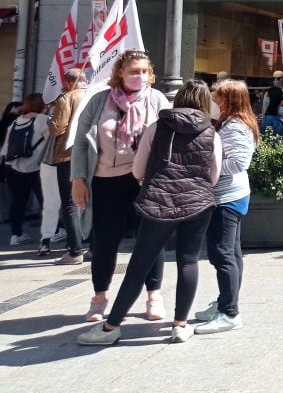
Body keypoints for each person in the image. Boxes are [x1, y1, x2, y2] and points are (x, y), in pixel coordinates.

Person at [77, 80, 222, 346]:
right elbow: (214, 175)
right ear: (204, 103)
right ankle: (180, 325)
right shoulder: (212, 132)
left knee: (140, 263)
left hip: (159, 201)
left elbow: (137, 170)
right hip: (198, 202)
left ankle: (112, 327)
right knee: (188, 261)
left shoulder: (157, 127)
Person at [72, 50, 172, 322]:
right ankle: (99, 297)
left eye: (143, 71)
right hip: (105, 180)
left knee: (150, 239)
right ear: (120, 74)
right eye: (133, 71)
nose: (139, 76)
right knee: (104, 241)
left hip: (144, 180)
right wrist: (78, 178)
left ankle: (154, 295)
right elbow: (81, 142)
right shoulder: (98, 101)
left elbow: (168, 140)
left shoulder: (157, 100)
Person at [195, 79, 256, 335]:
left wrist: (208, 168)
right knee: (231, 252)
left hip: (227, 197)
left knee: (222, 254)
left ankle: (229, 312)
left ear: (228, 99)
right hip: (231, 194)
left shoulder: (235, 127)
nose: (213, 99)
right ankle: (225, 303)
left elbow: (239, 163)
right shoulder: (233, 123)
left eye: (217, 95)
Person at [46, 68, 88, 263]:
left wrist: (50, 119)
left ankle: (75, 250)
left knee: (71, 204)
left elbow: (58, 128)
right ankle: (94, 246)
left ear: (68, 82)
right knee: (91, 202)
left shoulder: (66, 98)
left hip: (68, 155)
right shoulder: (96, 95)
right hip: (92, 154)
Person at [2, 93, 49, 246]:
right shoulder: (43, 120)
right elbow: (52, 141)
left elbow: (5, 150)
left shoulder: (16, 122)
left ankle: (16, 235)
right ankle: (51, 233)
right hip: (36, 167)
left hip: (13, 167)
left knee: (18, 202)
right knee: (46, 201)